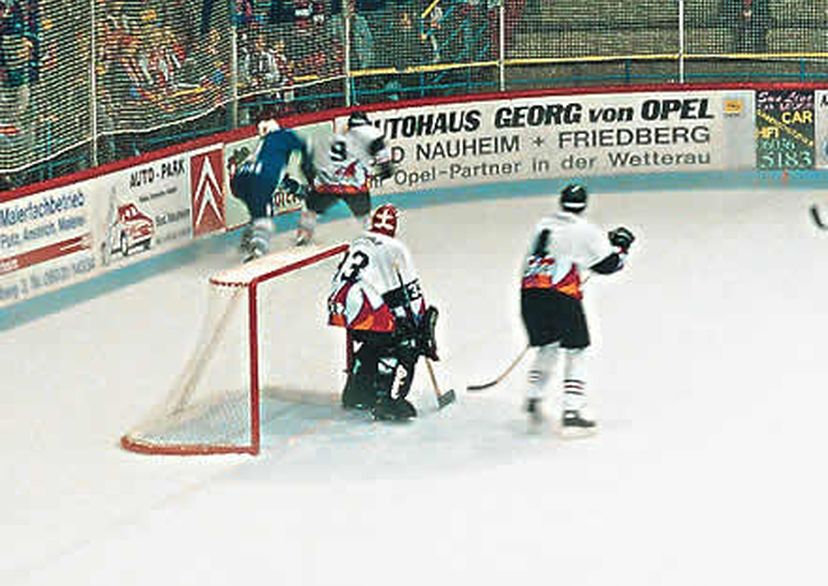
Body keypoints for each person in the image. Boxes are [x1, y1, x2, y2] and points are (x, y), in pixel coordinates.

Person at [519, 183, 635, 434]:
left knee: (547, 346)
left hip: (530, 293)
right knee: (576, 350)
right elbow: (608, 265)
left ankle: (533, 394)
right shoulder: (585, 230)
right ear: (584, 205)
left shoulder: (544, 225)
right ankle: (572, 412)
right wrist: (621, 248)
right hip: (560, 295)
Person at [327, 203, 439, 421]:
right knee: (407, 343)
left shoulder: (358, 242)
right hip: (366, 308)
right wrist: (421, 327)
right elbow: (409, 292)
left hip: (340, 308)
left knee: (375, 341)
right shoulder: (396, 248)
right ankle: (390, 401)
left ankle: (357, 393)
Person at [294, 110, 393, 245]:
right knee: (364, 216)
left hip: (328, 186)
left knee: (310, 208)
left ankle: (303, 236)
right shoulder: (369, 134)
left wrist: (312, 181)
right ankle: (370, 238)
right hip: (355, 187)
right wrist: (386, 170)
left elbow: (307, 164)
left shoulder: (333, 139)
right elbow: (382, 157)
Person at [228, 118, 311, 262]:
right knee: (266, 213)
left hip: (239, 180)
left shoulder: (262, 148)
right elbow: (303, 145)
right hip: (258, 177)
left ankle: (247, 239)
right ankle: (258, 248)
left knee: (258, 207)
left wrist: (298, 190)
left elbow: (283, 181)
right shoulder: (280, 140)